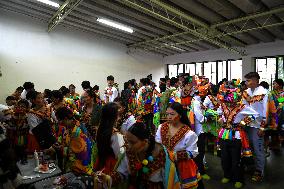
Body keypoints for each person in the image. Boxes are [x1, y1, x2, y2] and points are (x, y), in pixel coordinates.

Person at [218, 81, 259, 188]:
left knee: (236, 159)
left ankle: (238, 178)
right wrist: (220, 119)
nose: (229, 104)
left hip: (236, 135)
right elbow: (219, 114)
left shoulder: (243, 107)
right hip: (224, 135)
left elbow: (256, 114)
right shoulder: (222, 106)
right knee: (224, 158)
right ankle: (227, 175)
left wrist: (244, 122)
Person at [156, 102, 202, 189]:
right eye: (167, 114)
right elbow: (158, 144)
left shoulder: (189, 134)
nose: (169, 117)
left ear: (180, 115)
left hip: (182, 167)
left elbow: (193, 152)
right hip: (163, 165)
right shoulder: (161, 127)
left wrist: (172, 156)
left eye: (172, 114)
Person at [242, 72, 268, 182]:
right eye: (246, 80)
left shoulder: (263, 92)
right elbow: (243, 107)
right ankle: (251, 166)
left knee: (258, 149)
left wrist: (262, 127)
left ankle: (259, 171)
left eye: (248, 80)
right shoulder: (246, 92)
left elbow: (265, 111)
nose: (246, 82)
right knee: (248, 147)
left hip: (257, 125)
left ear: (255, 81)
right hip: (246, 124)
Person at [95, 103, 125, 175]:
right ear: (113, 117)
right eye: (118, 115)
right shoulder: (115, 134)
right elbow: (118, 154)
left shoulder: (100, 129)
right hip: (111, 165)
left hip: (101, 161)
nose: (119, 118)